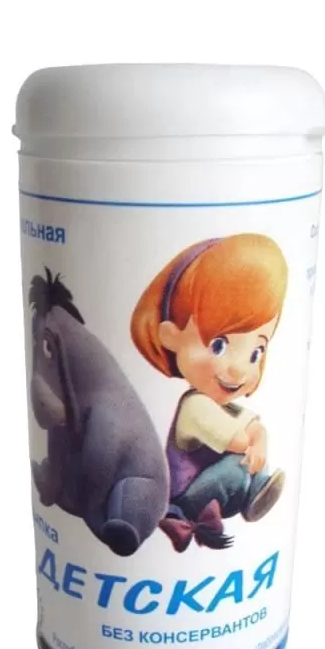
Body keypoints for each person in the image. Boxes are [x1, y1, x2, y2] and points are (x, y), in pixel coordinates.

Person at [130, 234, 288, 552]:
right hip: (188, 498)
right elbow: (240, 440)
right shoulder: (196, 407)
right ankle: (252, 492)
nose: (238, 370)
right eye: (219, 345)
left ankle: (256, 491)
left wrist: (259, 439)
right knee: (238, 466)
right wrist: (255, 443)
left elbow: (255, 427)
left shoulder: (222, 404)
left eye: (255, 352)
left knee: (243, 463)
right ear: (171, 336)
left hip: (213, 488)